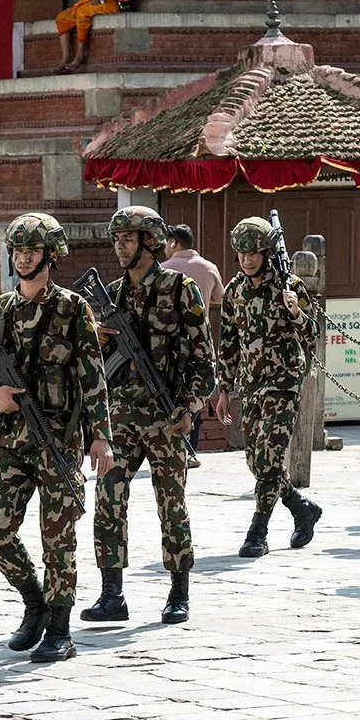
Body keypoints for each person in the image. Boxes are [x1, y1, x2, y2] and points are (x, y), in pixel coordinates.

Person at [0, 213, 114, 663]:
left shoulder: (74, 309)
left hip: (61, 440)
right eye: (17, 251)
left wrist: (101, 437)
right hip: (12, 441)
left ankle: (59, 627)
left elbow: (93, 377)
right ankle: (33, 602)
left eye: (32, 251)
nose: (23, 258)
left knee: (58, 538)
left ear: (51, 256)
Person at [82, 207, 215, 627]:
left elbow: (203, 360)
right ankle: (111, 595)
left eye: (128, 238)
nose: (120, 246)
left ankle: (179, 592)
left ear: (151, 242)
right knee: (108, 499)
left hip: (166, 416)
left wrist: (189, 407)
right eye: (117, 239)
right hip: (118, 417)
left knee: (171, 504)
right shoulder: (111, 296)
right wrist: (96, 338)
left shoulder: (180, 290)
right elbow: (92, 365)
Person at [214, 216, 324, 559]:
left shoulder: (289, 287)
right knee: (257, 460)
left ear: (265, 253)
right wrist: (224, 388)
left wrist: (296, 313)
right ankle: (299, 506)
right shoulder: (235, 291)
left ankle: (258, 530)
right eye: (242, 254)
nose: (247, 260)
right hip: (251, 383)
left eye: (254, 253)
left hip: (284, 382)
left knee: (271, 455)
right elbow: (229, 342)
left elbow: (312, 335)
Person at [159, 222, 223, 467]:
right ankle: (190, 450)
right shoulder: (209, 268)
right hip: (200, 341)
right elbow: (220, 299)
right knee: (195, 397)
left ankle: (173, 446)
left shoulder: (162, 270)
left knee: (170, 394)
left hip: (168, 345)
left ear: (173, 242)